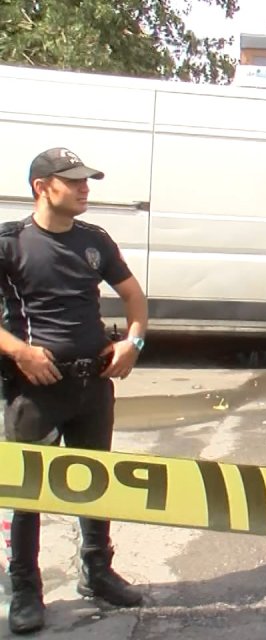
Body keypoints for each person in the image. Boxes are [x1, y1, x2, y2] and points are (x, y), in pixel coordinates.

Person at [1, 148, 150, 634]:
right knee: (30, 492)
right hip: (35, 389)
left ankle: (97, 570)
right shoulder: (11, 243)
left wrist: (133, 342)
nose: (86, 188)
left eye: (88, 180)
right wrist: (21, 352)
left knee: (95, 481)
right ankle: (24, 587)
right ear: (43, 186)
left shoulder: (94, 241)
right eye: (75, 181)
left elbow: (134, 298)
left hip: (93, 384)